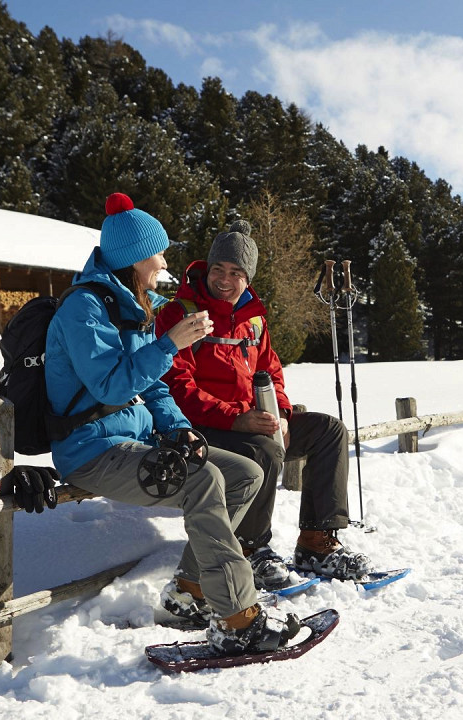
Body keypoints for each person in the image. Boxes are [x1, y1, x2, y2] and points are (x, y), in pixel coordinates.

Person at [44, 193, 299, 655]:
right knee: (202, 480)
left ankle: (190, 590)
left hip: (135, 440)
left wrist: (182, 430)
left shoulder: (134, 304)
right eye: (158, 251)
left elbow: (156, 387)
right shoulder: (85, 310)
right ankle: (238, 616)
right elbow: (111, 387)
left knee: (246, 473)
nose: (165, 260)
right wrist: (169, 344)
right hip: (93, 451)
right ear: (137, 257)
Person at [155, 220, 372, 590]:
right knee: (265, 449)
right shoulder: (180, 313)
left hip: (251, 420)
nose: (225, 279)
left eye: (236, 272)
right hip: (201, 428)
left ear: (248, 277)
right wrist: (238, 420)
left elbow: (271, 371)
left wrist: (283, 414)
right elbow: (178, 387)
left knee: (329, 430)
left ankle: (316, 543)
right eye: (219, 269)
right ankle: (251, 548)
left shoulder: (253, 319)